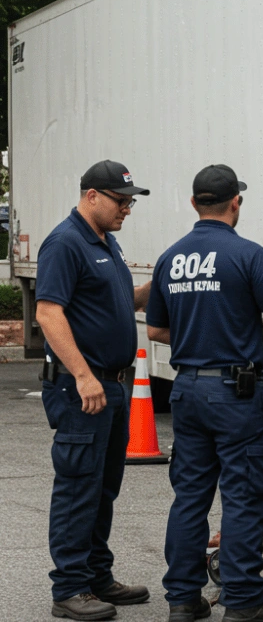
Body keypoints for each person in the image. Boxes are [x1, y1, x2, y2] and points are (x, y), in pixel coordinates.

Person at [145, 165, 263, 622]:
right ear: (237, 202)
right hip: (236, 392)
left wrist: (199, 336)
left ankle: (183, 600)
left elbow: (155, 328)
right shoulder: (248, 254)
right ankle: (245, 600)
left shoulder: (171, 257)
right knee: (245, 494)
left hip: (188, 388)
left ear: (195, 203)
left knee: (190, 496)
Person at [35, 160, 153, 621]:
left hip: (113, 387)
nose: (127, 208)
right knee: (78, 486)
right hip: (84, 389)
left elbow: (123, 300)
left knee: (104, 488)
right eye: (121, 201)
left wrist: (157, 286)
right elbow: (49, 313)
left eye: (130, 201)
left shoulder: (108, 242)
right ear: (91, 197)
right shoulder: (66, 243)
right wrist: (83, 375)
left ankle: (96, 576)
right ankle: (69, 588)